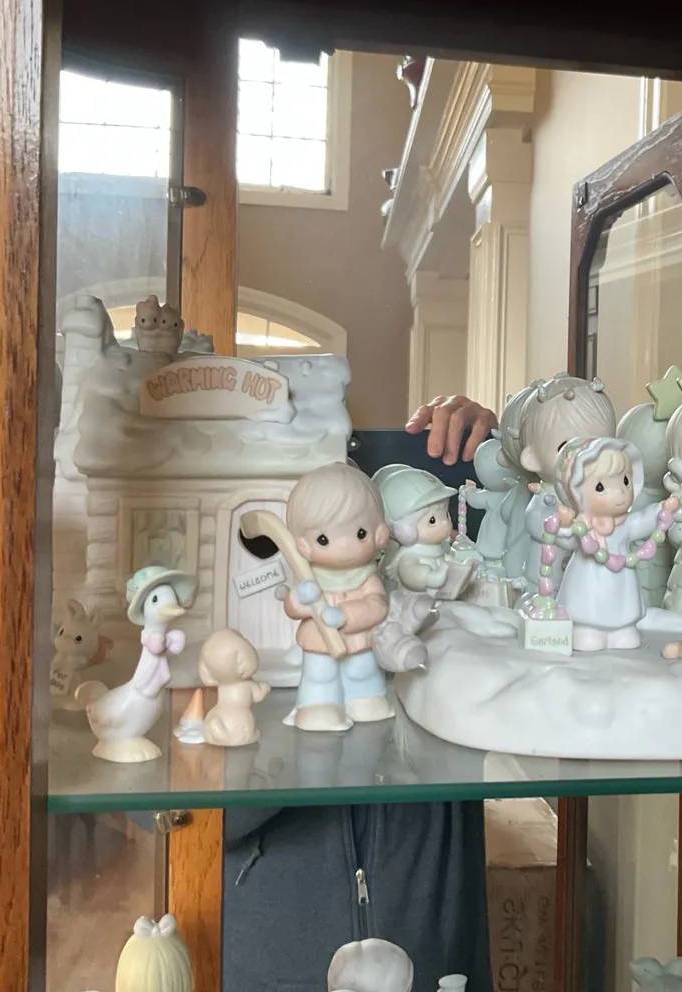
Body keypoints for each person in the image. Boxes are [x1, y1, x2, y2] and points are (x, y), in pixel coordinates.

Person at [224, 396, 499, 991]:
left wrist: (508, 470)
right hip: (273, 944)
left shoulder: (419, 570)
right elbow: (164, 810)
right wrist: (295, 750)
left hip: (428, 925)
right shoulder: (225, 573)